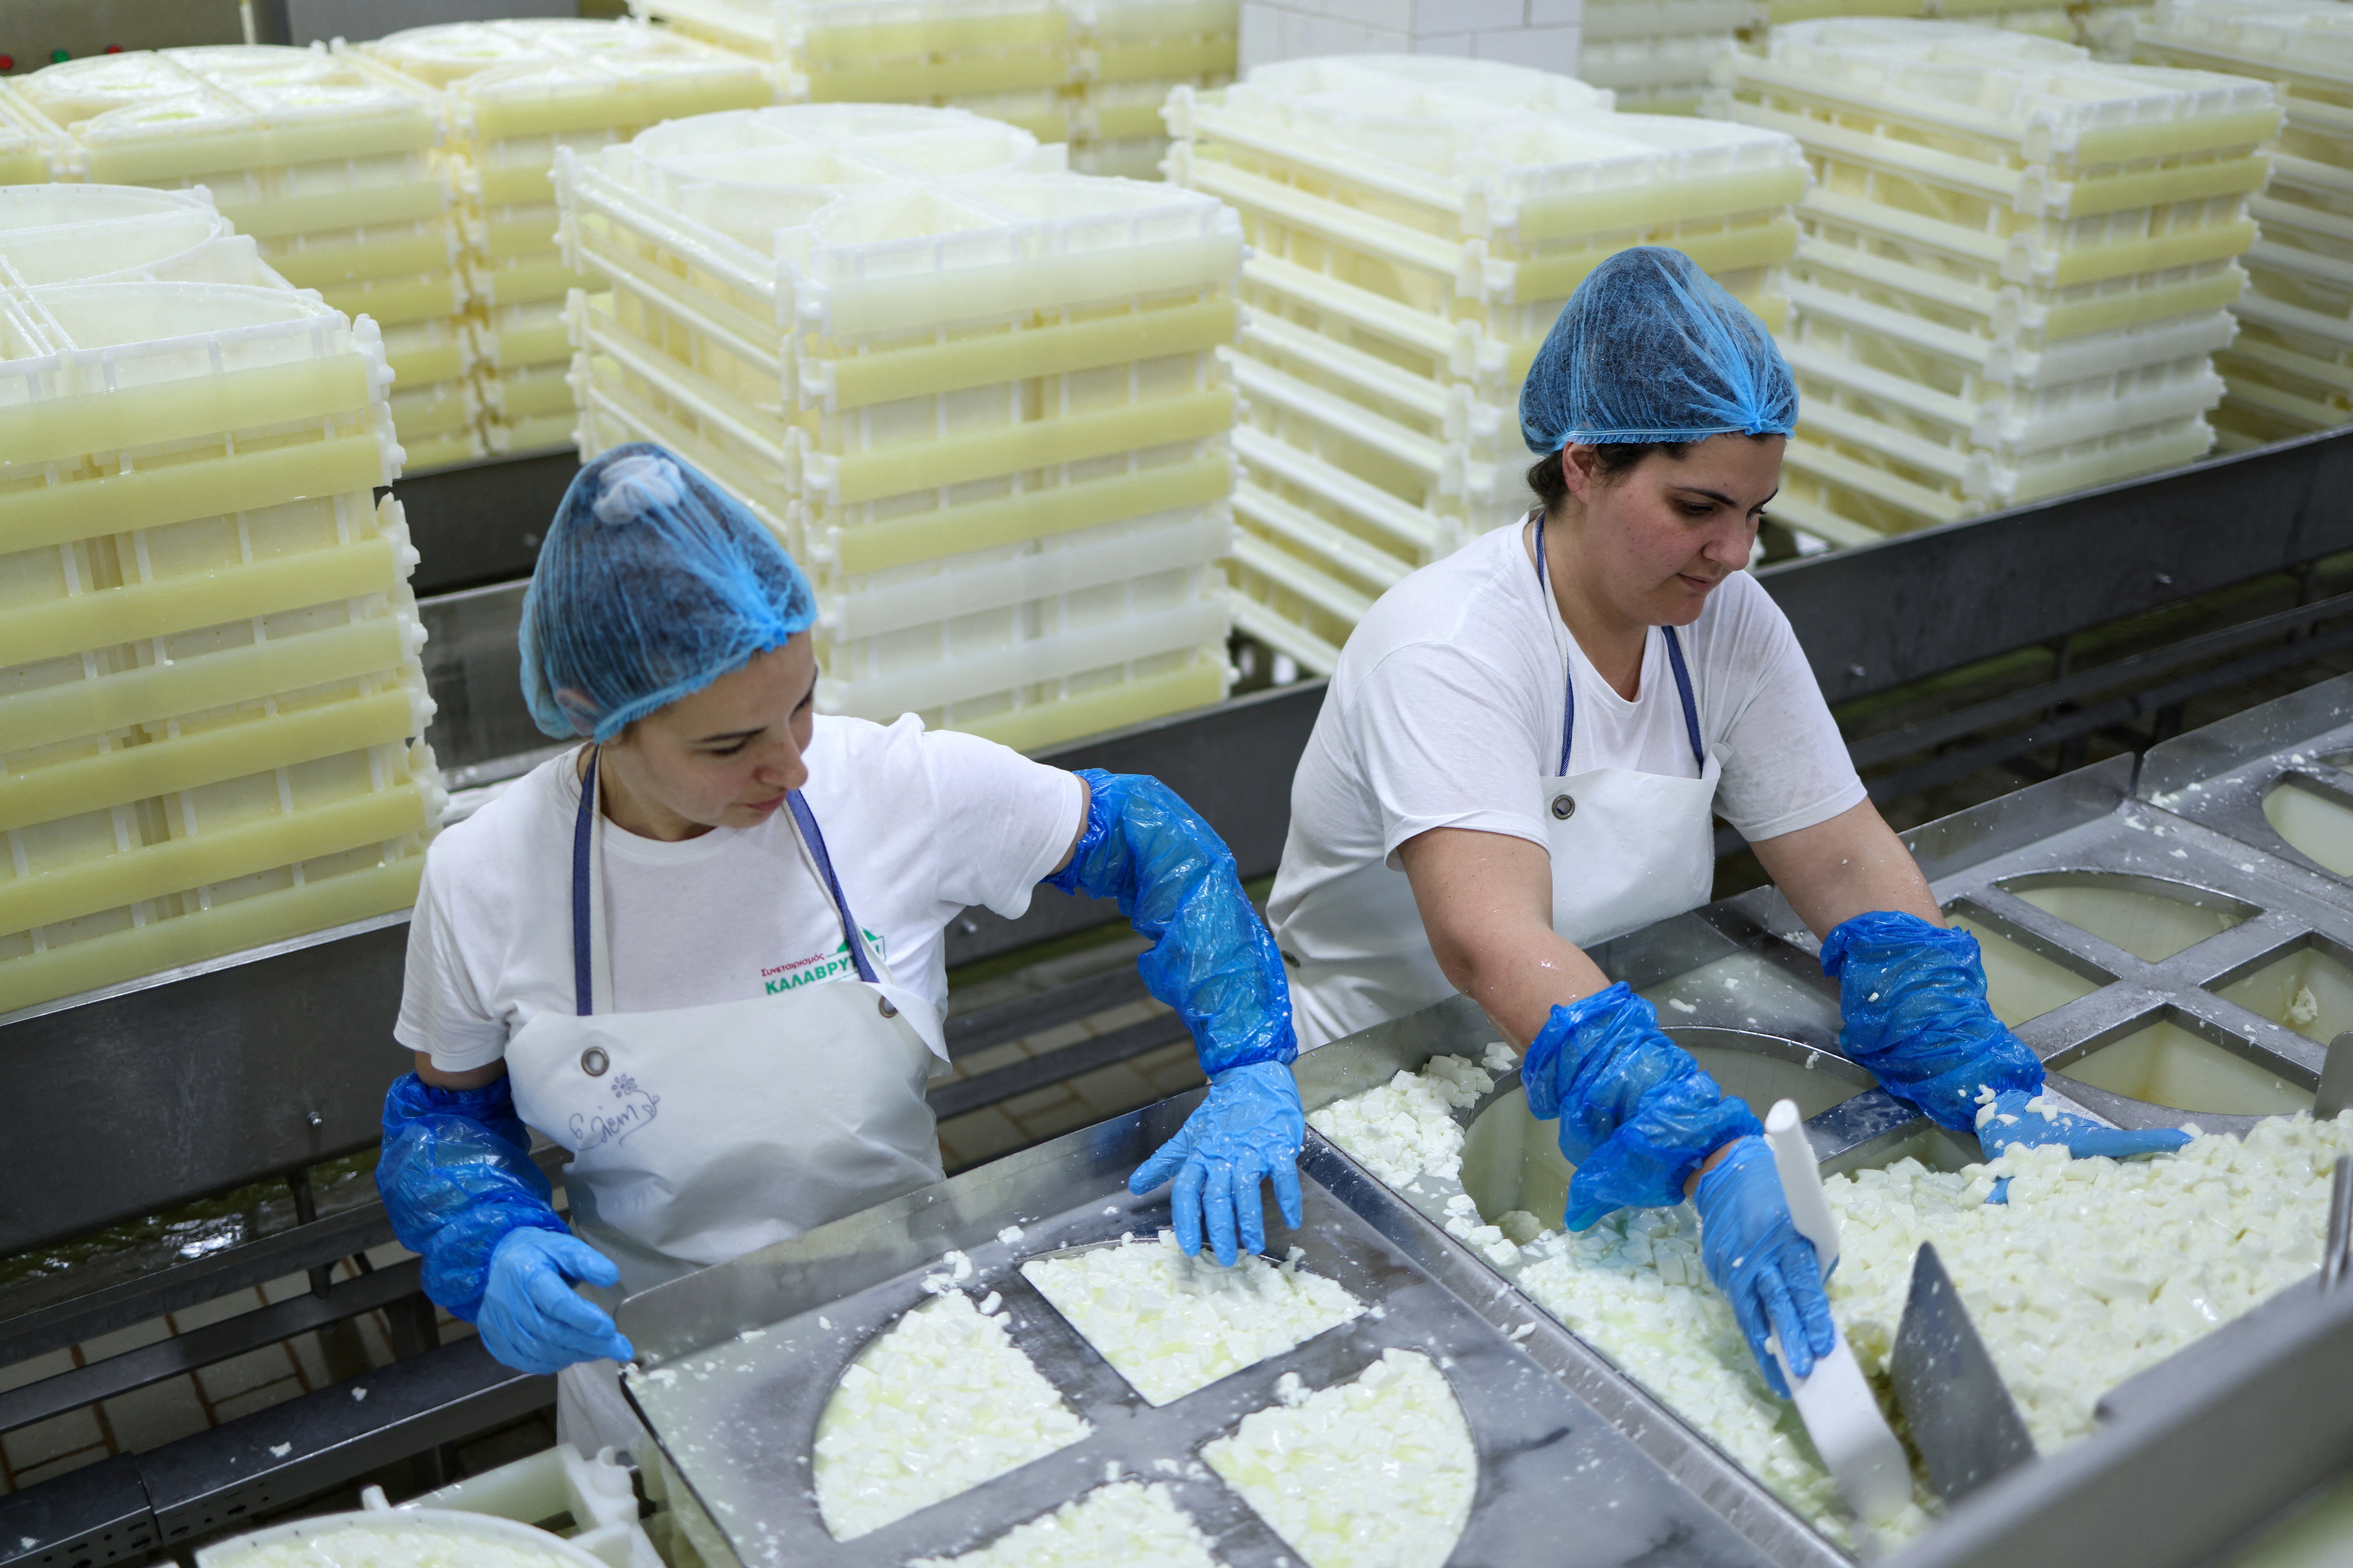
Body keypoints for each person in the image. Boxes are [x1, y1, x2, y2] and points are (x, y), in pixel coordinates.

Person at [1267, 247, 2186, 1395]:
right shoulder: (1450, 648)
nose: (1734, 552)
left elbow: (1842, 853)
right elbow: (1487, 939)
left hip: (1615, 1036)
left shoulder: (1728, 621)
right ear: (1586, 465)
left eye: (1755, 513)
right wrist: (1699, 1144)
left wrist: (1972, 1059)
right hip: (1380, 1073)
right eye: (1697, 509)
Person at [375, 443, 1304, 1444]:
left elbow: (1148, 842)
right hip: (651, 1353)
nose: (791, 764)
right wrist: (492, 1234)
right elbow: (447, 1119)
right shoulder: (484, 880)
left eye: (803, 703)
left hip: (915, 1314)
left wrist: (1251, 1064)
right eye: (729, 746)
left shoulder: (892, 788)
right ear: (596, 721)